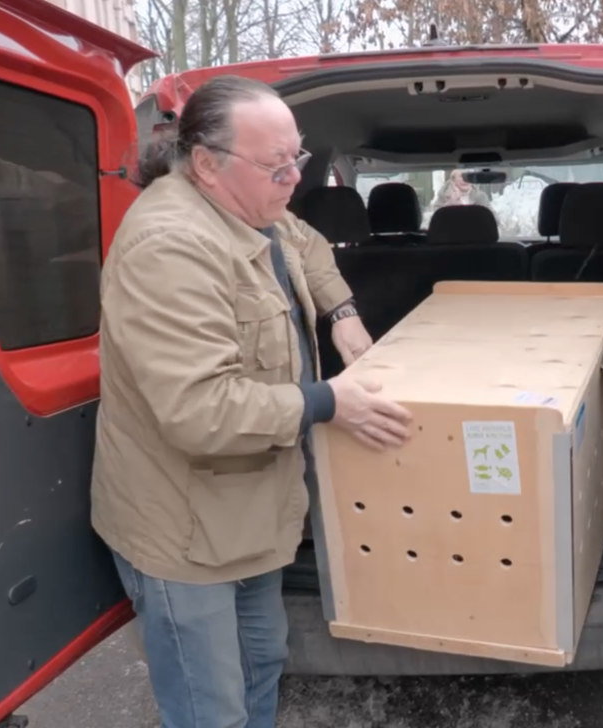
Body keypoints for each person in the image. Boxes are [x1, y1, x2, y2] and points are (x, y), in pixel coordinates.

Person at [90, 75, 414, 728]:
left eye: (298, 157)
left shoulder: (250, 209)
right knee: (211, 709)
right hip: (185, 534)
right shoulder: (169, 248)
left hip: (249, 516)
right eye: (277, 165)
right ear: (207, 164)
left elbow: (305, 243)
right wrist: (328, 402)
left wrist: (342, 313)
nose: (294, 177)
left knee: (262, 662)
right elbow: (201, 410)